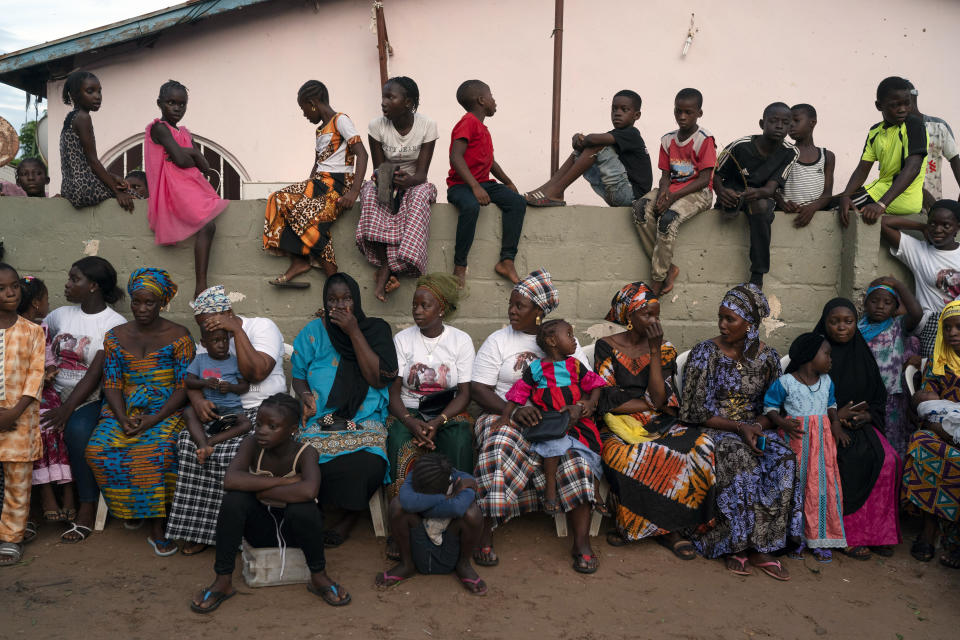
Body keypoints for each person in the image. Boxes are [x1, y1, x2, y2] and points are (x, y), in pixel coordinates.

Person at [470, 269, 598, 573]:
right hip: (504, 414)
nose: (512, 311)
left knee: (575, 459)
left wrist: (580, 407)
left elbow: (588, 383)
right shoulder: (498, 340)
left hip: (556, 421)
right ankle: (484, 532)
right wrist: (513, 412)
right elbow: (478, 389)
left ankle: (581, 542)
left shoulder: (566, 342)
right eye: (511, 304)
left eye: (520, 306)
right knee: (499, 445)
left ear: (539, 312)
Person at [680, 284, 800, 581]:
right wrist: (740, 428)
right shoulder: (705, 354)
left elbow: (775, 407)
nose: (722, 324)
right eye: (721, 317)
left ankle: (764, 546)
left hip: (754, 427)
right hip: (716, 429)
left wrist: (756, 427)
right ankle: (736, 544)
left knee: (783, 458)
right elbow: (695, 412)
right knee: (739, 457)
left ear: (750, 324)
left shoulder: (769, 358)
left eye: (730, 319)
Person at [189, 393, 351, 612]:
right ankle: (223, 580)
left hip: (296, 532)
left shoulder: (306, 453)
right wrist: (283, 483)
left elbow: (308, 490)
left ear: (293, 428)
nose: (262, 431)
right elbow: (231, 480)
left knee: (303, 508)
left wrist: (258, 489)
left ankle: (319, 576)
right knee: (234, 500)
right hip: (261, 529)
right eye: (259, 424)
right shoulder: (251, 444)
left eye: (272, 426)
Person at [595, 282, 715, 558]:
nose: (654, 321)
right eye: (647, 315)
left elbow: (660, 399)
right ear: (628, 316)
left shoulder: (664, 348)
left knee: (701, 445)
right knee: (626, 454)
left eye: (657, 315)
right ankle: (648, 527)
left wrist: (654, 349)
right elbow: (608, 398)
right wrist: (644, 403)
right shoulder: (606, 347)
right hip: (619, 423)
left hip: (658, 420)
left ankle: (675, 527)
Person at [166, 284, 287, 555]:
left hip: (264, 411)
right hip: (224, 412)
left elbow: (255, 372)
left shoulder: (261, 327)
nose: (207, 332)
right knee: (187, 442)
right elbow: (194, 379)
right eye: (202, 327)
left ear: (229, 313)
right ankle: (202, 530)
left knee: (235, 449)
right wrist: (197, 401)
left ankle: (238, 531)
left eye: (210, 323)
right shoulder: (209, 341)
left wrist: (237, 331)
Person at [85, 268, 194, 556]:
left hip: (167, 409)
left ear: (162, 303)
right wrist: (121, 417)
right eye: (136, 302)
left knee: (157, 449)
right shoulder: (115, 337)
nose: (142, 309)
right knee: (98, 449)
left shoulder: (180, 336)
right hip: (124, 407)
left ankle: (157, 525)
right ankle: (132, 509)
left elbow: (185, 387)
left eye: (150, 303)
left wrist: (155, 419)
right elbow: (111, 383)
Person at [293, 273, 397, 546]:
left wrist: (353, 332)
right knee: (308, 459)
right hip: (319, 419)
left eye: (346, 298)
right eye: (332, 300)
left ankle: (349, 518)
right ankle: (314, 514)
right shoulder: (314, 332)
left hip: (364, 418)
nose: (339, 305)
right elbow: (298, 373)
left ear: (357, 300)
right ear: (325, 303)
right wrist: (304, 394)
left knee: (368, 462)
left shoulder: (376, 330)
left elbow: (378, 377)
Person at [42, 257, 126, 543]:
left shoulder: (114, 323)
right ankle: (45, 499)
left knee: (77, 432)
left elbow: (95, 373)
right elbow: (39, 346)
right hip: (53, 392)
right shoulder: (59, 315)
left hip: (91, 397)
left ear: (93, 286)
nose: (67, 284)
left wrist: (67, 409)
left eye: (74, 279)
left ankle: (86, 506)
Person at [815, 298, 902, 560]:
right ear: (824, 323)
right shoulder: (814, 354)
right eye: (835, 321)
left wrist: (866, 415)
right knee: (847, 459)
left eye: (848, 322)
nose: (842, 328)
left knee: (889, 460)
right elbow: (800, 397)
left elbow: (877, 398)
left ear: (856, 324)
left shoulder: (861, 353)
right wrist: (834, 417)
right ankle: (849, 534)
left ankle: (878, 533)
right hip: (825, 426)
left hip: (860, 425)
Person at [264, 80, 367, 288]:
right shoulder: (321, 130)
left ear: (312, 103)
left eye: (304, 110)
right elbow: (318, 163)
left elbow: (362, 154)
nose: (304, 115)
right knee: (278, 199)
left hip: (337, 185)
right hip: (319, 182)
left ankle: (333, 279)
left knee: (309, 222)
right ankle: (300, 260)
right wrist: (306, 187)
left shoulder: (341, 121)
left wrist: (354, 191)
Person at [499, 319, 607, 513]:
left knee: (595, 449)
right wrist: (506, 416)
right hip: (552, 421)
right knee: (553, 448)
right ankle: (550, 491)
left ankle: (595, 492)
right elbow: (519, 393)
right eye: (569, 335)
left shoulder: (575, 365)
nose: (574, 340)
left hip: (579, 420)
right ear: (551, 341)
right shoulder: (536, 368)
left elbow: (595, 384)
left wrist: (590, 403)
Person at [763, 332, 846, 563]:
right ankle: (795, 539)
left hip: (822, 445)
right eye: (827, 354)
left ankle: (819, 539)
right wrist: (781, 422)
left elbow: (831, 405)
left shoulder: (827, 382)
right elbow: (770, 406)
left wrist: (836, 424)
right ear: (810, 356)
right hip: (796, 442)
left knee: (821, 489)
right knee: (797, 489)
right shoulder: (786, 383)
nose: (831, 359)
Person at [387, 273, 474, 493]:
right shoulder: (402, 339)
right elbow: (393, 392)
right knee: (397, 438)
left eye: (424, 306)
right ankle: (403, 505)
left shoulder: (460, 341)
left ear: (441, 310)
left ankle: (457, 503)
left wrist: (437, 422)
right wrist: (409, 422)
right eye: (414, 305)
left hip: (447, 412)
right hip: (409, 411)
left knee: (459, 437)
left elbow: (464, 394)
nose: (417, 311)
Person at [356, 76, 438, 301]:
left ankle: (402, 263)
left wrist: (407, 181)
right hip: (386, 178)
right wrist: (389, 181)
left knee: (421, 195)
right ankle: (385, 266)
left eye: (390, 97)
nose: (383, 102)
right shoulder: (376, 126)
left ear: (408, 102)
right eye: (383, 96)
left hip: (414, 183)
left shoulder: (427, 125)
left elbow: (422, 174)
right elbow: (379, 168)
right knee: (370, 192)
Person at [145, 80, 228, 299]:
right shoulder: (159, 128)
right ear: (160, 103)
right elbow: (182, 161)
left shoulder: (183, 132)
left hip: (189, 187)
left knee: (208, 226)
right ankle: (201, 284)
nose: (176, 108)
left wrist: (193, 155)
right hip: (172, 191)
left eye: (182, 104)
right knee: (208, 225)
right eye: (171, 102)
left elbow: (203, 166)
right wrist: (192, 154)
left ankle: (201, 283)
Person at [632, 88, 715, 295]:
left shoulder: (704, 139)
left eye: (688, 112)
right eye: (678, 111)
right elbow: (665, 175)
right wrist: (663, 194)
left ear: (699, 113)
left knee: (668, 219)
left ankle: (658, 279)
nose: (682, 117)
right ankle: (668, 268)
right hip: (673, 189)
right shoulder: (667, 140)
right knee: (640, 208)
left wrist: (672, 198)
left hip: (699, 193)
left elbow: (705, 179)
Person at [446, 79, 526, 285]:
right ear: (482, 100)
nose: (494, 100)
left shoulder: (482, 128)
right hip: (460, 185)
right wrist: (474, 187)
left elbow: (489, 162)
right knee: (471, 206)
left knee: (517, 202)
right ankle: (460, 265)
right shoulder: (468, 122)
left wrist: (508, 182)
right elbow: (456, 156)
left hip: (482, 183)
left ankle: (506, 260)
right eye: (491, 96)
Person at [375, 452, 486, 595]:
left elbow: (457, 509)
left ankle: (463, 565)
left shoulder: (465, 480)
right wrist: (449, 497)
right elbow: (408, 502)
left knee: (473, 513)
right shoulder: (418, 475)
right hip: (419, 544)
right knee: (397, 505)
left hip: (448, 546)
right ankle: (406, 564)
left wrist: (421, 507)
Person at [714, 103, 799, 288]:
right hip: (733, 191)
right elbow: (716, 174)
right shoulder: (740, 146)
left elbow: (770, 189)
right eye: (773, 121)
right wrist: (721, 192)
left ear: (790, 127)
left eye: (785, 123)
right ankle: (729, 208)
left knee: (761, 208)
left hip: (761, 196)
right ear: (762, 123)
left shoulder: (790, 152)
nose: (779, 126)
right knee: (731, 204)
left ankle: (757, 274)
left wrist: (755, 193)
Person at [525, 89, 652, 209]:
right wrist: (579, 140)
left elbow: (593, 140)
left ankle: (556, 192)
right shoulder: (616, 135)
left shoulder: (632, 134)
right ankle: (546, 190)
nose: (617, 113)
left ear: (637, 115)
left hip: (631, 197)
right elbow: (590, 141)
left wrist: (579, 138)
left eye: (624, 110)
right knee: (581, 151)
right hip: (616, 193)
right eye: (614, 109)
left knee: (597, 145)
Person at [905, 300, 960, 568]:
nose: (952, 333)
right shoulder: (939, 364)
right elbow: (929, 410)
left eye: (958, 327)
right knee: (923, 443)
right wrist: (947, 433)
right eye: (947, 328)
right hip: (942, 431)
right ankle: (928, 529)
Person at [18, 276, 76, 529]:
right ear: (36, 303)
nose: (48, 304)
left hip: (46, 394)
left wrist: (50, 371)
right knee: (38, 430)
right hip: (22, 396)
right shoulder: (14, 330)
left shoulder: (42, 330)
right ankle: (46, 493)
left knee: (56, 428)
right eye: (46, 299)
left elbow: (49, 359)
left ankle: (67, 489)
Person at [0, 263, 45, 567]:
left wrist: (12, 412)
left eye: (14, 286)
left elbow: (36, 375)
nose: (10, 293)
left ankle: (10, 538)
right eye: (2, 288)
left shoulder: (32, 331)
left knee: (18, 483)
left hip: (20, 420)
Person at [838, 76, 927, 226]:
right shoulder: (875, 131)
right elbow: (862, 169)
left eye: (907, 103)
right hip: (880, 189)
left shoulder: (914, 125)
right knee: (837, 201)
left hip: (900, 198)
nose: (903, 109)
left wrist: (881, 204)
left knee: (831, 208)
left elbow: (914, 167)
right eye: (895, 105)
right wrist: (846, 195)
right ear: (879, 106)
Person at [881, 200, 960, 357]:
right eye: (932, 224)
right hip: (933, 325)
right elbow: (884, 223)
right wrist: (920, 226)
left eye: (946, 225)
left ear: (957, 227)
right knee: (934, 376)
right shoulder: (919, 251)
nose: (938, 229)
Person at [859, 277, 923, 457]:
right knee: (869, 445)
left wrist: (897, 284)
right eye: (874, 301)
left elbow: (916, 313)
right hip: (866, 398)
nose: (880, 306)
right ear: (865, 304)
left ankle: (894, 481)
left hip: (893, 399)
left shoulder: (898, 327)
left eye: (887, 302)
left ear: (895, 308)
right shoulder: (856, 330)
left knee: (894, 442)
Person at [58, 70, 134, 212]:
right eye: (90, 91)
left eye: (99, 91)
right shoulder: (83, 118)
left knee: (117, 184)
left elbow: (82, 164)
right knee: (135, 196)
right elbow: (92, 161)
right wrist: (117, 192)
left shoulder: (71, 118)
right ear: (74, 95)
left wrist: (112, 177)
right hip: (84, 189)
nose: (97, 96)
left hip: (69, 189)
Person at [182, 326, 252, 466]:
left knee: (246, 424)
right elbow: (188, 382)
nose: (222, 345)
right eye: (215, 341)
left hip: (232, 409)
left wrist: (231, 387)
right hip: (209, 409)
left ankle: (210, 442)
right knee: (188, 412)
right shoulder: (200, 360)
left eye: (225, 340)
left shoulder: (234, 361)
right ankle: (202, 444)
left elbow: (245, 386)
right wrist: (204, 383)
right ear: (204, 343)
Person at [775, 104, 836, 228]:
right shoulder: (783, 153)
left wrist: (813, 207)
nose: (791, 124)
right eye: (789, 121)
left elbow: (827, 193)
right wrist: (783, 203)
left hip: (817, 218)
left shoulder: (827, 156)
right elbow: (772, 187)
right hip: (786, 217)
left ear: (812, 123)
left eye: (796, 120)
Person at [906, 80, 960, 205]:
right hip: (903, 203)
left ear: (913, 97)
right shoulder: (893, 130)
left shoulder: (938, 126)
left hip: (934, 203)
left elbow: (955, 159)